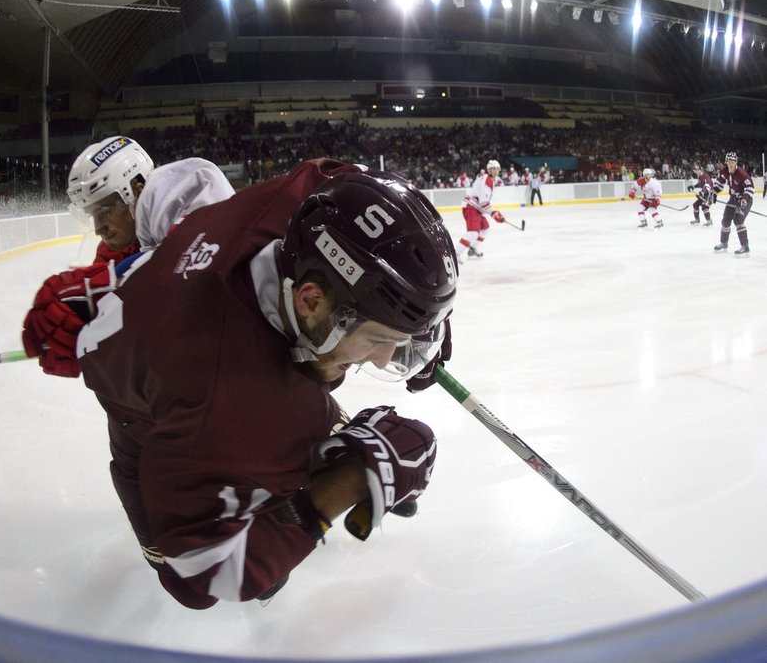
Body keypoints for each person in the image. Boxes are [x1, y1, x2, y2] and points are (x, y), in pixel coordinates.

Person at [27, 161, 455, 609]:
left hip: (187, 362)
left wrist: (421, 315)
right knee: (228, 556)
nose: (386, 359)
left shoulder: (291, 203)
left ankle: (320, 449)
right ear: (309, 300)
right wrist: (350, 481)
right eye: (380, 341)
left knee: (304, 404)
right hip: (149, 422)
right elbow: (201, 575)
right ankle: (319, 457)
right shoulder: (225, 397)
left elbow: (351, 181)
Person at [67, 135, 234, 266]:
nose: (98, 229)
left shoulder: (173, 194)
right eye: (91, 215)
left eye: (105, 211)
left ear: (137, 191)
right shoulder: (117, 248)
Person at [459, 159, 505, 258]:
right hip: (471, 207)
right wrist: (494, 213)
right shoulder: (487, 180)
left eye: (497, 169)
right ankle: (455, 254)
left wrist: (492, 213)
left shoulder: (487, 179)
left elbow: (482, 202)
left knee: (485, 228)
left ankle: (473, 249)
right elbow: (483, 202)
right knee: (472, 233)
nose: (496, 171)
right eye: (494, 169)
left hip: (476, 208)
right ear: (489, 170)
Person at [712, 152, 755, 256]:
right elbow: (719, 183)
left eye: (733, 161)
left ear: (736, 162)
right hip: (733, 199)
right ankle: (724, 242)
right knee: (726, 219)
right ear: (726, 162)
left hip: (745, 200)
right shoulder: (724, 171)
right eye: (729, 161)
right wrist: (713, 193)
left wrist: (744, 199)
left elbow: (749, 188)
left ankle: (745, 246)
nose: (731, 163)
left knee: (738, 219)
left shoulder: (742, 173)